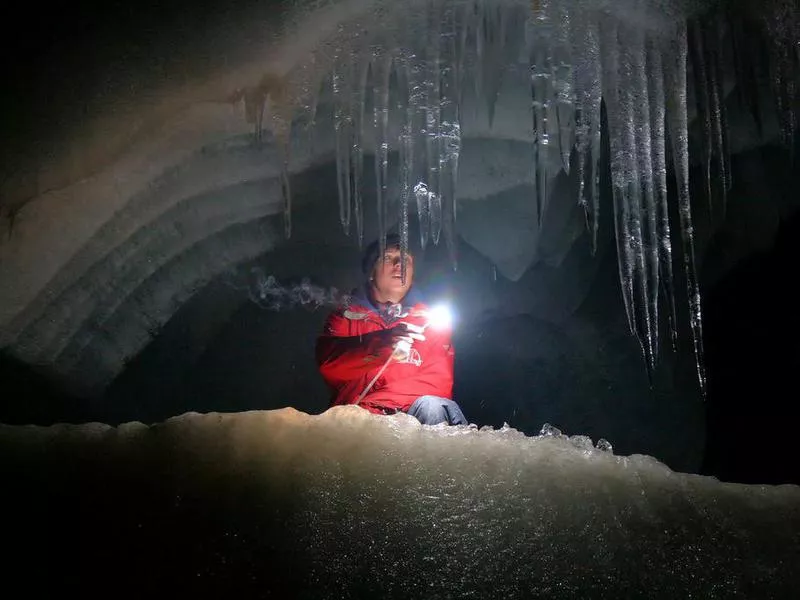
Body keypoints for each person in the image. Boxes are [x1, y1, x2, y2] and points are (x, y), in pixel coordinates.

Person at [316, 234, 468, 425]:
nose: (399, 265)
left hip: (413, 417)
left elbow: (438, 384)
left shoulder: (430, 322)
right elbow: (330, 365)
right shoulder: (346, 317)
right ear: (371, 271)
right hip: (359, 421)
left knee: (434, 406)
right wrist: (381, 346)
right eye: (388, 258)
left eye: (406, 260)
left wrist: (386, 405)